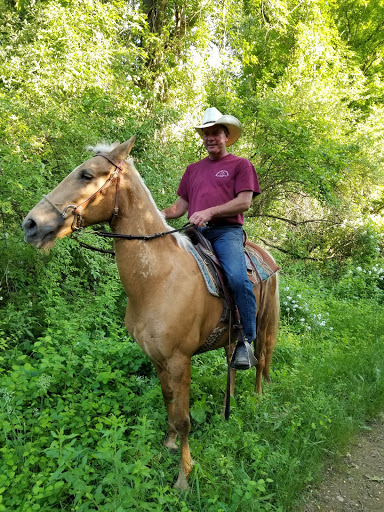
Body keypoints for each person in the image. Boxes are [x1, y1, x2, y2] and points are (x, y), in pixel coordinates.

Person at [162, 107, 261, 370]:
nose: (210, 138)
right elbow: (177, 209)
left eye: (215, 133)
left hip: (225, 232)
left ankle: (246, 341)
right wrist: (148, 214)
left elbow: (244, 202)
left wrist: (208, 211)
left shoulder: (241, 165)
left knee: (238, 278)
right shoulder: (193, 170)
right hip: (195, 234)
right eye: (206, 134)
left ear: (227, 136)